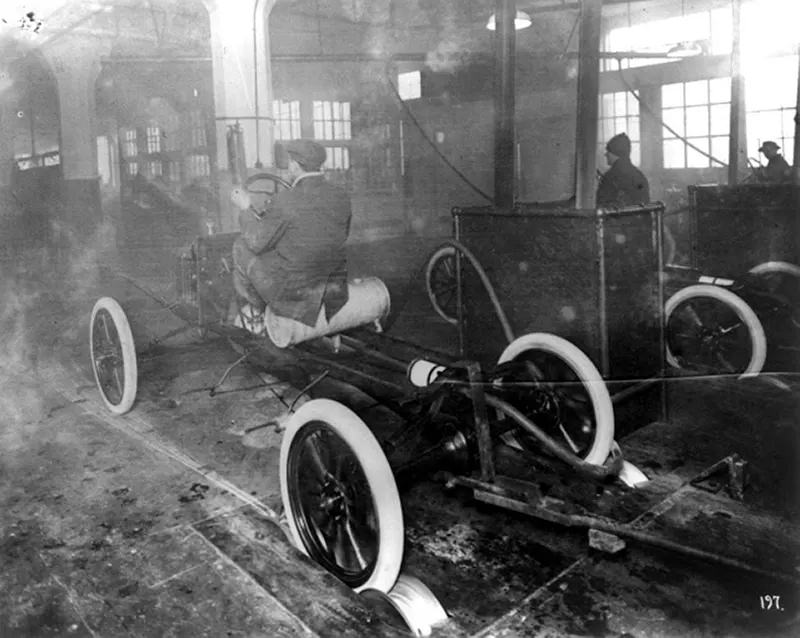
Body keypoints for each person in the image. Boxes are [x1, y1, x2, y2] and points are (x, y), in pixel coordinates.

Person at [230, 139, 351, 327]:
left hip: (297, 292)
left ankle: (257, 311)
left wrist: (246, 208)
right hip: (333, 286)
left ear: (294, 165)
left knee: (240, 246)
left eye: (289, 163)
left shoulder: (285, 200)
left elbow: (256, 242)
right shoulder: (341, 195)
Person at [596, 132, 650, 207]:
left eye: (608, 151)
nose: (606, 154)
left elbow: (601, 204)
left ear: (615, 153)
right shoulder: (639, 175)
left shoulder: (610, 177)